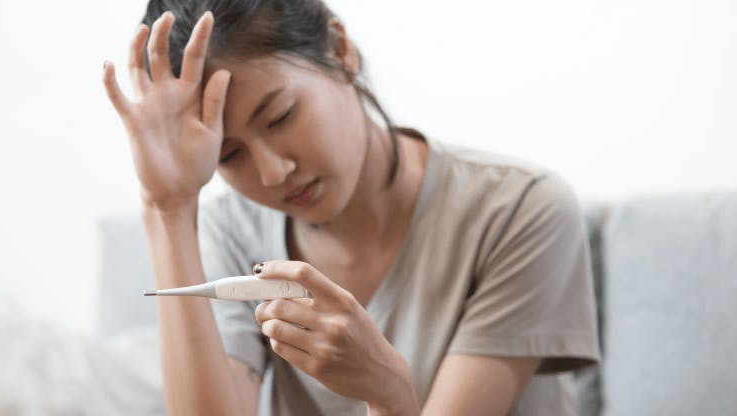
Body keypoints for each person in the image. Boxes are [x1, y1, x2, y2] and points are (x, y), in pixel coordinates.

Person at [101, 0, 600, 414]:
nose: (273, 172)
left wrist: (387, 391)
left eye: (280, 117)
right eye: (230, 155)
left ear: (340, 51)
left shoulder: (520, 211)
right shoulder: (234, 232)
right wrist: (168, 206)